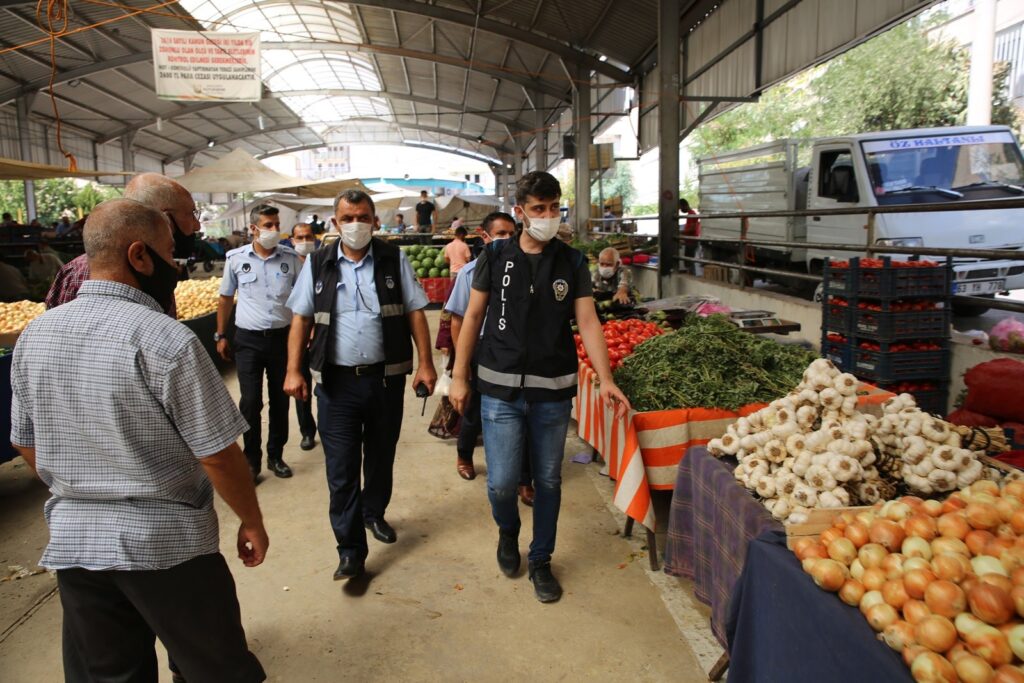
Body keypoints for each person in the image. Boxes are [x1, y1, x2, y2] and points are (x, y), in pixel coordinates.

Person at [9, 198, 267, 682]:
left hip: (77, 544)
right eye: (170, 253)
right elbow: (216, 453)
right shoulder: (166, 340)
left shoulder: (35, 336)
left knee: (111, 673)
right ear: (139, 256)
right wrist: (250, 520)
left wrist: (80, 483)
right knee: (214, 668)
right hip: (167, 547)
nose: (176, 264)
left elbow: (26, 441)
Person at [449, 171, 630, 603]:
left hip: (552, 389)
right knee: (502, 483)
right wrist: (457, 375)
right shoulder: (495, 257)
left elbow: (587, 320)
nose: (549, 217)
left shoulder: (571, 261)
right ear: (521, 212)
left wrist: (606, 379)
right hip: (498, 387)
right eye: (539, 209)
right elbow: (472, 318)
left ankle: (542, 559)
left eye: (554, 208)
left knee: (548, 479)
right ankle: (508, 532)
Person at [284, 189, 437, 581]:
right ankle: (350, 549)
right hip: (336, 385)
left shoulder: (392, 258)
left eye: (364, 217)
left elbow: (416, 311)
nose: (356, 225)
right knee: (341, 469)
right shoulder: (318, 263)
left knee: (381, 457)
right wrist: (294, 369)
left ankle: (374, 513)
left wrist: (426, 364)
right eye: (348, 218)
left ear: (375, 221)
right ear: (335, 223)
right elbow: (301, 319)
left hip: (385, 381)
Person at [444, 212, 531, 504]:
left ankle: (524, 478)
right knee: (474, 411)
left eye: (511, 233)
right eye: (501, 234)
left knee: (524, 413)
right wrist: (462, 366)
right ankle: (464, 456)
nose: (507, 239)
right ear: (485, 237)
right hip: (482, 350)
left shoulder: (525, 269)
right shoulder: (469, 274)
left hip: (516, 352)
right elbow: (458, 321)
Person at [217, 204, 301, 482]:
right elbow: (226, 297)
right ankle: (251, 461)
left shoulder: (291, 258)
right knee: (250, 402)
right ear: (253, 229)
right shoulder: (235, 259)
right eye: (268, 225)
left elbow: (302, 299)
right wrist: (220, 334)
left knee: (280, 400)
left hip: (282, 339)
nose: (274, 230)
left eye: (277, 224)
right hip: (248, 341)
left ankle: (275, 456)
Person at [44, 172, 200, 312]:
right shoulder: (156, 275)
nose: (197, 225)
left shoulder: (159, 270)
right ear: (164, 219)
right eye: (191, 214)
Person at [289, 222, 319, 451]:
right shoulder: (287, 264)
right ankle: (307, 431)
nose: (304, 241)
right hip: (297, 336)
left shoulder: (323, 263)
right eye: (300, 238)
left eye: (308, 236)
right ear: (292, 240)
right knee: (302, 386)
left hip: (322, 335)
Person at [679, 198, 700, 274]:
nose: (680, 210)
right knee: (689, 261)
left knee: (689, 262)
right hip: (690, 240)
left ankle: (691, 276)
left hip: (691, 241)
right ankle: (691, 275)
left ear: (684, 205)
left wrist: (680, 232)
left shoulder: (691, 214)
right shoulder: (691, 214)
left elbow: (692, 229)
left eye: (680, 207)